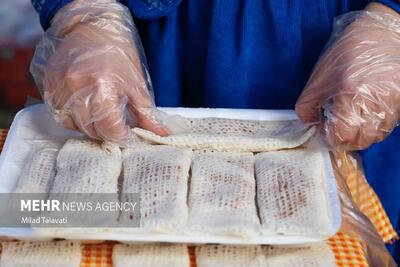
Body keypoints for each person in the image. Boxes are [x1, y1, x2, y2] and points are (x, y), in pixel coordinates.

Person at [30, 0, 400, 260]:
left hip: (346, 50)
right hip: (149, 45)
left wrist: (391, 23)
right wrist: (84, 13)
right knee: (58, 206)